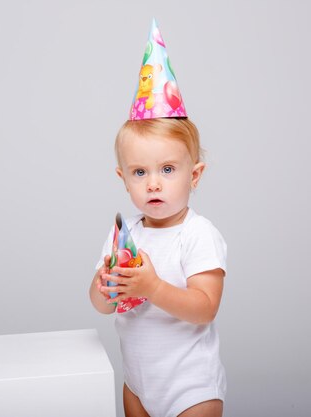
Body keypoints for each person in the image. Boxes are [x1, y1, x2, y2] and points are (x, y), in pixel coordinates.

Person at [89, 19, 227, 417]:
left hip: (190, 387)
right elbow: (101, 305)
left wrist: (152, 286)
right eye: (139, 172)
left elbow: (205, 308)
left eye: (167, 170)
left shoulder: (197, 234)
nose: (153, 184)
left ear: (194, 175)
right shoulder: (125, 232)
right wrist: (104, 284)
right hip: (138, 383)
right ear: (123, 179)